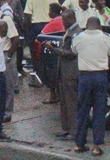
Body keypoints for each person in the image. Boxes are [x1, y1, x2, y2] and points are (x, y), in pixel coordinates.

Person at [71, 16, 110, 156]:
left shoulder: (78, 37)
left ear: (86, 25)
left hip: (84, 76)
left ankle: (79, 143)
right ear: (100, 26)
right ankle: (96, 146)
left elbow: (74, 51)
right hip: (100, 76)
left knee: (82, 110)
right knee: (99, 110)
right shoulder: (106, 37)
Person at [42, 10, 81, 140]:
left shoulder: (76, 32)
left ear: (71, 18)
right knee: (64, 101)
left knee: (71, 102)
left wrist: (53, 50)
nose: (62, 22)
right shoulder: (70, 31)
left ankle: (74, 131)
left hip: (71, 72)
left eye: (64, 20)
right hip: (64, 72)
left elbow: (71, 53)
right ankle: (66, 128)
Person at [24, 0, 59, 66]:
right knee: (49, 48)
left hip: (35, 27)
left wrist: (28, 29)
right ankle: (48, 66)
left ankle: (36, 67)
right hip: (50, 27)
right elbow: (58, 13)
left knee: (34, 49)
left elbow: (28, 15)